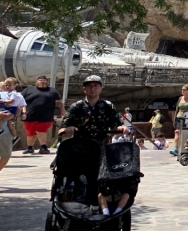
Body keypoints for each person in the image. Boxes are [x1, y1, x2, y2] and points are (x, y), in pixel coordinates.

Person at [59, 75, 132, 214]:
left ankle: (103, 203)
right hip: (80, 149)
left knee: (106, 176)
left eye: (96, 85)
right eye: (89, 86)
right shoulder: (77, 107)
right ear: (84, 89)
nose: (93, 88)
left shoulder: (108, 106)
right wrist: (67, 130)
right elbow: (63, 126)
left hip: (102, 149)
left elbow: (117, 125)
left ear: (101, 88)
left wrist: (122, 128)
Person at [22, 75, 64, 155]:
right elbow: (20, 100)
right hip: (30, 115)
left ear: (47, 82)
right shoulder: (28, 90)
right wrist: (21, 112)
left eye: (44, 80)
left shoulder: (52, 90)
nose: (42, 82)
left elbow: (59, 102)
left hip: (46, 116)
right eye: (40, 80)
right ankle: (30, 147)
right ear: (36, 82)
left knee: (42, 130)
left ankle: (43, 147)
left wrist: (62, 110)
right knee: (30, 132)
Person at [171, 84, 188, 155]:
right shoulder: (180, 98)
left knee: (184, 133)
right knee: (176, 132)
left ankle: (185, 147)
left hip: (187, 118)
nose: (182, 91)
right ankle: (175, 148)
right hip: (179, 117)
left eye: (184, 90)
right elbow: (177, 108)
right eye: (182, 89)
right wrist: (174, 119)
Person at [1, 79, 26, 147]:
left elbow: (22, 104)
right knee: (9, 124)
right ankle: (14, 137)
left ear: (15, 85)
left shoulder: (15, 94)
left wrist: (23, 113)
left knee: (2, 118)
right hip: (7, 109)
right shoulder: (5, 93)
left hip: (11, 110)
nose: (7, 87)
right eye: (6, 85)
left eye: (9, 85)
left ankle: (13, 136)